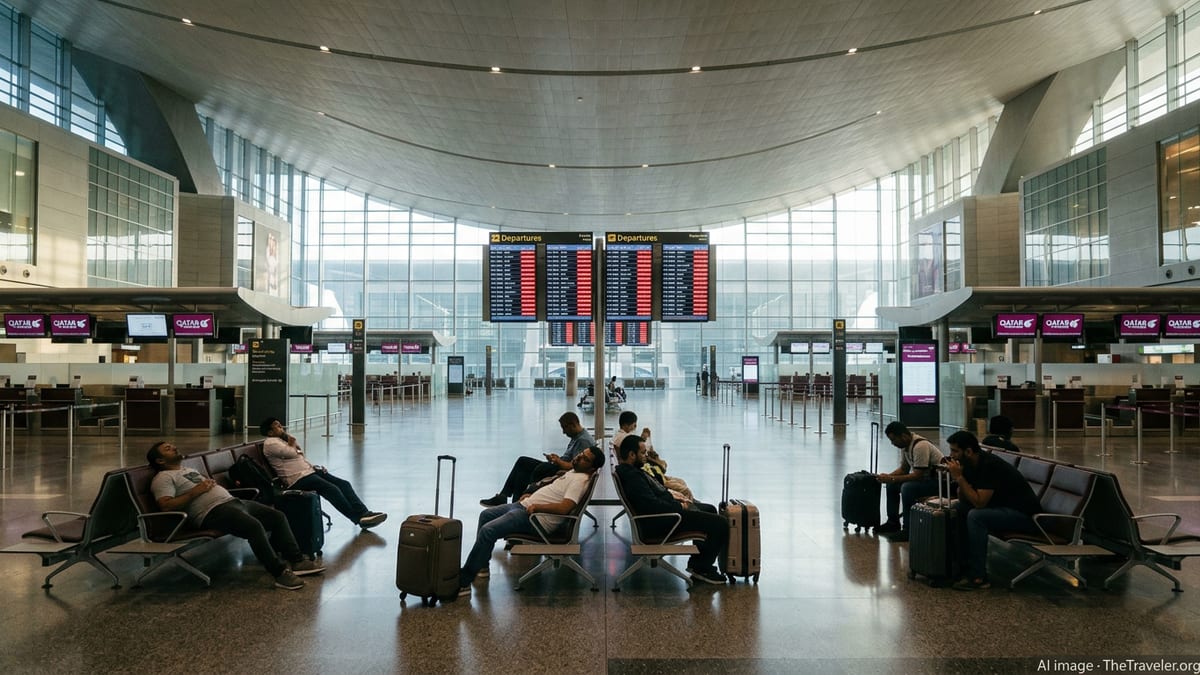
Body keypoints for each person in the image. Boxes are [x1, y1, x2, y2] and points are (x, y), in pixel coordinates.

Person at [146, 441, 325, 590]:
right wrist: (195, 491)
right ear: (160, 460)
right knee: (253, 527)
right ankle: (279, 573)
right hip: (211, 511)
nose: (174, 448)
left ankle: (297, 561)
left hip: (233, 502)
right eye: (167, 449)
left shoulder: (186, 470)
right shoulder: (163, 478)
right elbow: (165, 505)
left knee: (277, 516)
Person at [459, 446, 603, 595]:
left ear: (592, 469)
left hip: (535, 520)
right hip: (523, 507)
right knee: (486, 515)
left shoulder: (579, 481)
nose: (579, 457)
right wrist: (531, 495)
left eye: (585, 458)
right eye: (581, 453)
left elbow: (565, 508)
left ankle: (463, 581)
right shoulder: (574, 472)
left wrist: (537, 506)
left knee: (488, 531)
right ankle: (481, 566)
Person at [614, 435, 728, 584]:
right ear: (631, 455)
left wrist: (675, 498)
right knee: (721, 524)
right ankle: (702, 567)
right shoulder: (632, 477)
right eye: (642, 453)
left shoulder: (631, 471)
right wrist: (679, 506)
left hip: (664, 515)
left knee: (710, 509)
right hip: (663, 521)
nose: (646, 456)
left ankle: (699, 565)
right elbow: (652, 506)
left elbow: (653, 498)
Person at [944, 430, 1042, 590]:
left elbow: (979, 503)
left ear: (968, 451)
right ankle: (961, 565)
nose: (951, 456)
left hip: (1025, 516)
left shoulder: (989, 465)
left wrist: (960, 478)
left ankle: (978, 577)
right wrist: (961, 479)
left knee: (976, 516)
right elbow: (964, 500)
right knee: (958, 508)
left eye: (955, 451)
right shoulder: (969, 464)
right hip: (1001, 509)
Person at [259, 417, 387, 529]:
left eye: (280, 424)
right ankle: (358, 518)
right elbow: (293, 452)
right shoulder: (270, 443)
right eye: (277, 426)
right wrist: (290, 441)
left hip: (308, 472)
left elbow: (299, 454)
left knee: (344, 484)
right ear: (270, 432)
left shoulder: (281, 441)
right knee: (332, 489)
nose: (281, 427)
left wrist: (314, 467)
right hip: (297, 479)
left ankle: (364, 513)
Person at [480, 412, 596, 506]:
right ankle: (509, 500)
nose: (563, 432)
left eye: (564, 428)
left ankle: (507, 498)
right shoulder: (577, 437)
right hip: (558, 466)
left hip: (562, 472)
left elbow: (573, 467)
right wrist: (556, 459)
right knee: (522, 466)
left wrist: (558, 461)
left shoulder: (582, 441)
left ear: (572, 425)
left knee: (524, 465)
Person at [876, 420, 944, 542]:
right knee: (892, 486)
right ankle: (893, 522)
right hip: (925, 480)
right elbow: (903, 469)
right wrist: (887, 477)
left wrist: (891, 478)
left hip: (938, 482)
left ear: (903, 436)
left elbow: (918, 475)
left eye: (893, 440)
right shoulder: (906, 446)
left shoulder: (920, 446)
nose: (892, 444)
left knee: (907, 488)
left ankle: (908, 528)